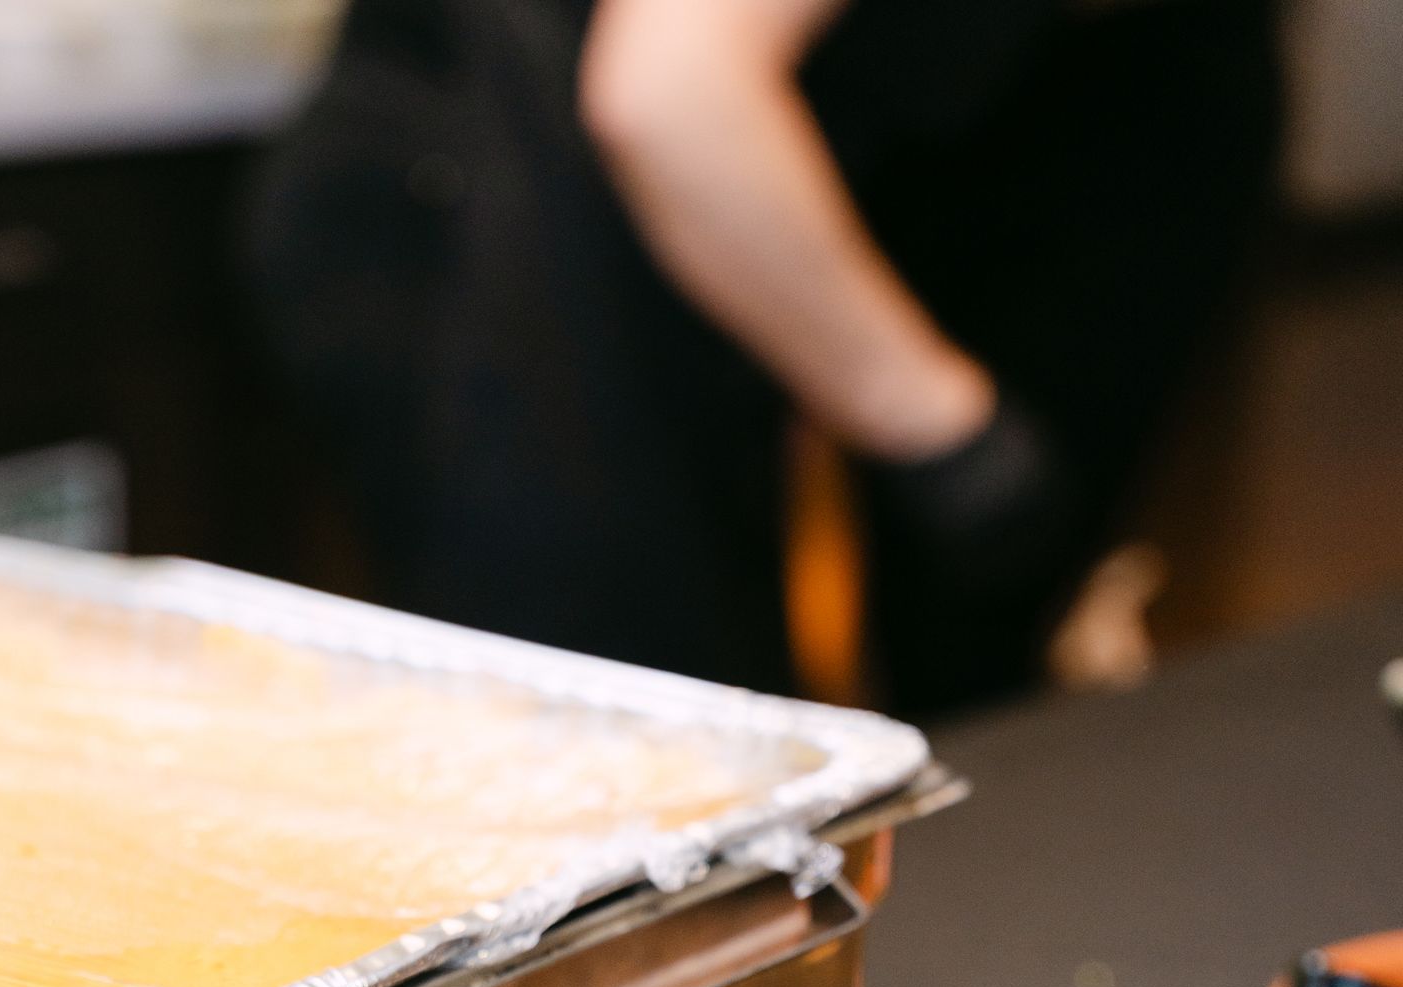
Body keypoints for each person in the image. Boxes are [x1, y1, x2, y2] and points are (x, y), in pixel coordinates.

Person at [249, 0, 1278, 713]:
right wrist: (960, 445)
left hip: (798, 163)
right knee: (644, 767)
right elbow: (673, 95)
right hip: (506, 193)